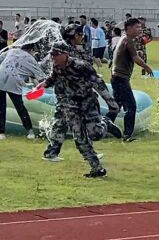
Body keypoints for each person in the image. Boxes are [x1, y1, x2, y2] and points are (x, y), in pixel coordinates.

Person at [35, 42, 117, 178]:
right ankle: (97, 169)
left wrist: (112, 104)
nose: (53, 57)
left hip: (87, 104)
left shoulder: (81, 66)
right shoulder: (56, 65)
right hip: (70, 106)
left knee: (95, 134)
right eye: (52, 54)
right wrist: (43, 84)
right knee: (80, 138)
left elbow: (98, 84)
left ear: (65, 54)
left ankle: (105, 123)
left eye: (56, 54)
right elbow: (53, 78)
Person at [0, 43, 46, 140]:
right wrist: (40, 89)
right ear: (31, 50)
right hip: (14, 82)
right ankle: (30, 132)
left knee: (0, 108)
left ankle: (1, 133)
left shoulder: (12, 51)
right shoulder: (31, 59)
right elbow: (41, 78)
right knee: (20, 107)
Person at [111, 18, 153, 141]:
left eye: (140, 27)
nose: (140, 29)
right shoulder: (128, 40)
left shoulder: (124, 39)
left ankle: (103, 127)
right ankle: (127, 135)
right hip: (121, 77)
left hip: (116, 77)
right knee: (131, 106)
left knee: (116, 106)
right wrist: (146, 66)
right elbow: (135, 58)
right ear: (128, 28)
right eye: (137, 27)